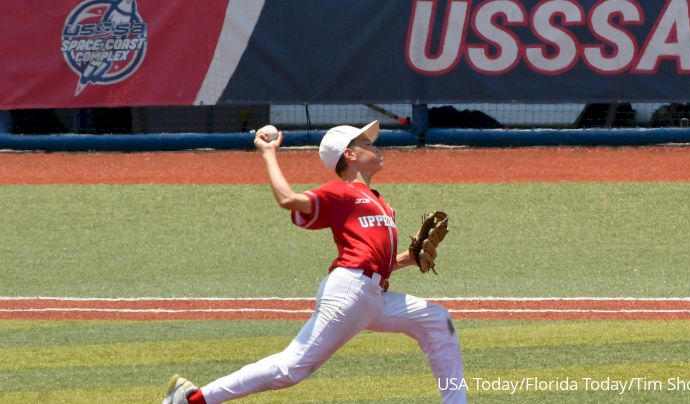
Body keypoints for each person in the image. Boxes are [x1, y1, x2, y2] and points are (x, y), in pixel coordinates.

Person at [163, 120, 466, 403]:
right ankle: (192, 399)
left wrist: (409, 259)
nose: (375, 146)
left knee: (438, 321)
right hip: (350, 291)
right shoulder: (340, 192)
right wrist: (268, 153)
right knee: (290, 368)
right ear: (349, 153)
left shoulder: (382, 203)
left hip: (374, 296)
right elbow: (287, 199)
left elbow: (380, 265)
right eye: (366, 142)